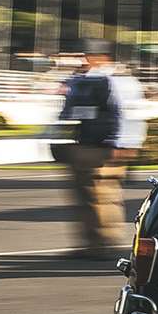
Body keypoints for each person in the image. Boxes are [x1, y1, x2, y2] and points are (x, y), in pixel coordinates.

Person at [56, 43, 146, 258]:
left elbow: (123, 113)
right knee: (97, 195)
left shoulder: (107, 80)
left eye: (86, 56)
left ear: (99, 57)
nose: (82, 60)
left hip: (99, 145)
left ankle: (101, 243)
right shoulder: (113, 80)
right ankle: (97, 242)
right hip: (99, 144)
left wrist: (119, 142)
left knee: (98, 195)